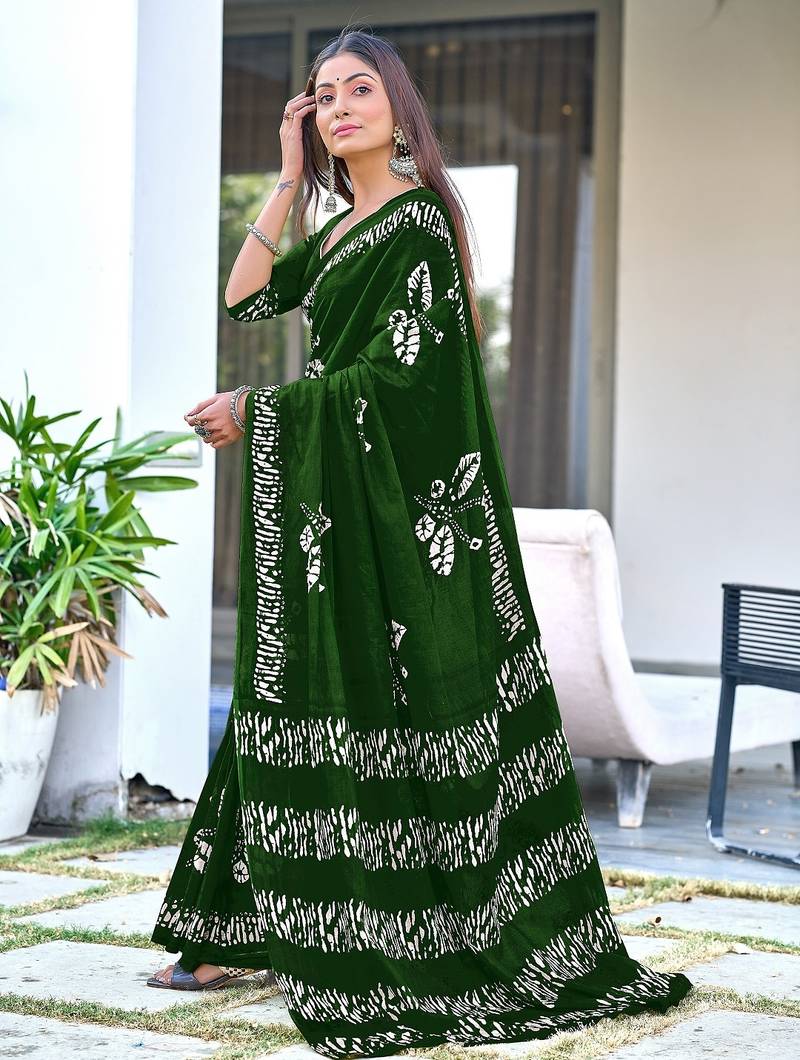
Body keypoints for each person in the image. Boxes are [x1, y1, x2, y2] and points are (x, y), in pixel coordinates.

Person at [147, 25, 693, 1059]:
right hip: (333, 504)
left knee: (359, 695)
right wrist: (286, 175)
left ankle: (393, 918)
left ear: (399, 108)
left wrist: (262, 411)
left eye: (359, 89)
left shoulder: (418, 225)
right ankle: (234, 927)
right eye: (322, 94)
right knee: (286, 685)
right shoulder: (341, 230)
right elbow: (246, 296)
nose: (339, 106)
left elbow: (411, 386)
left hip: (393, 504)